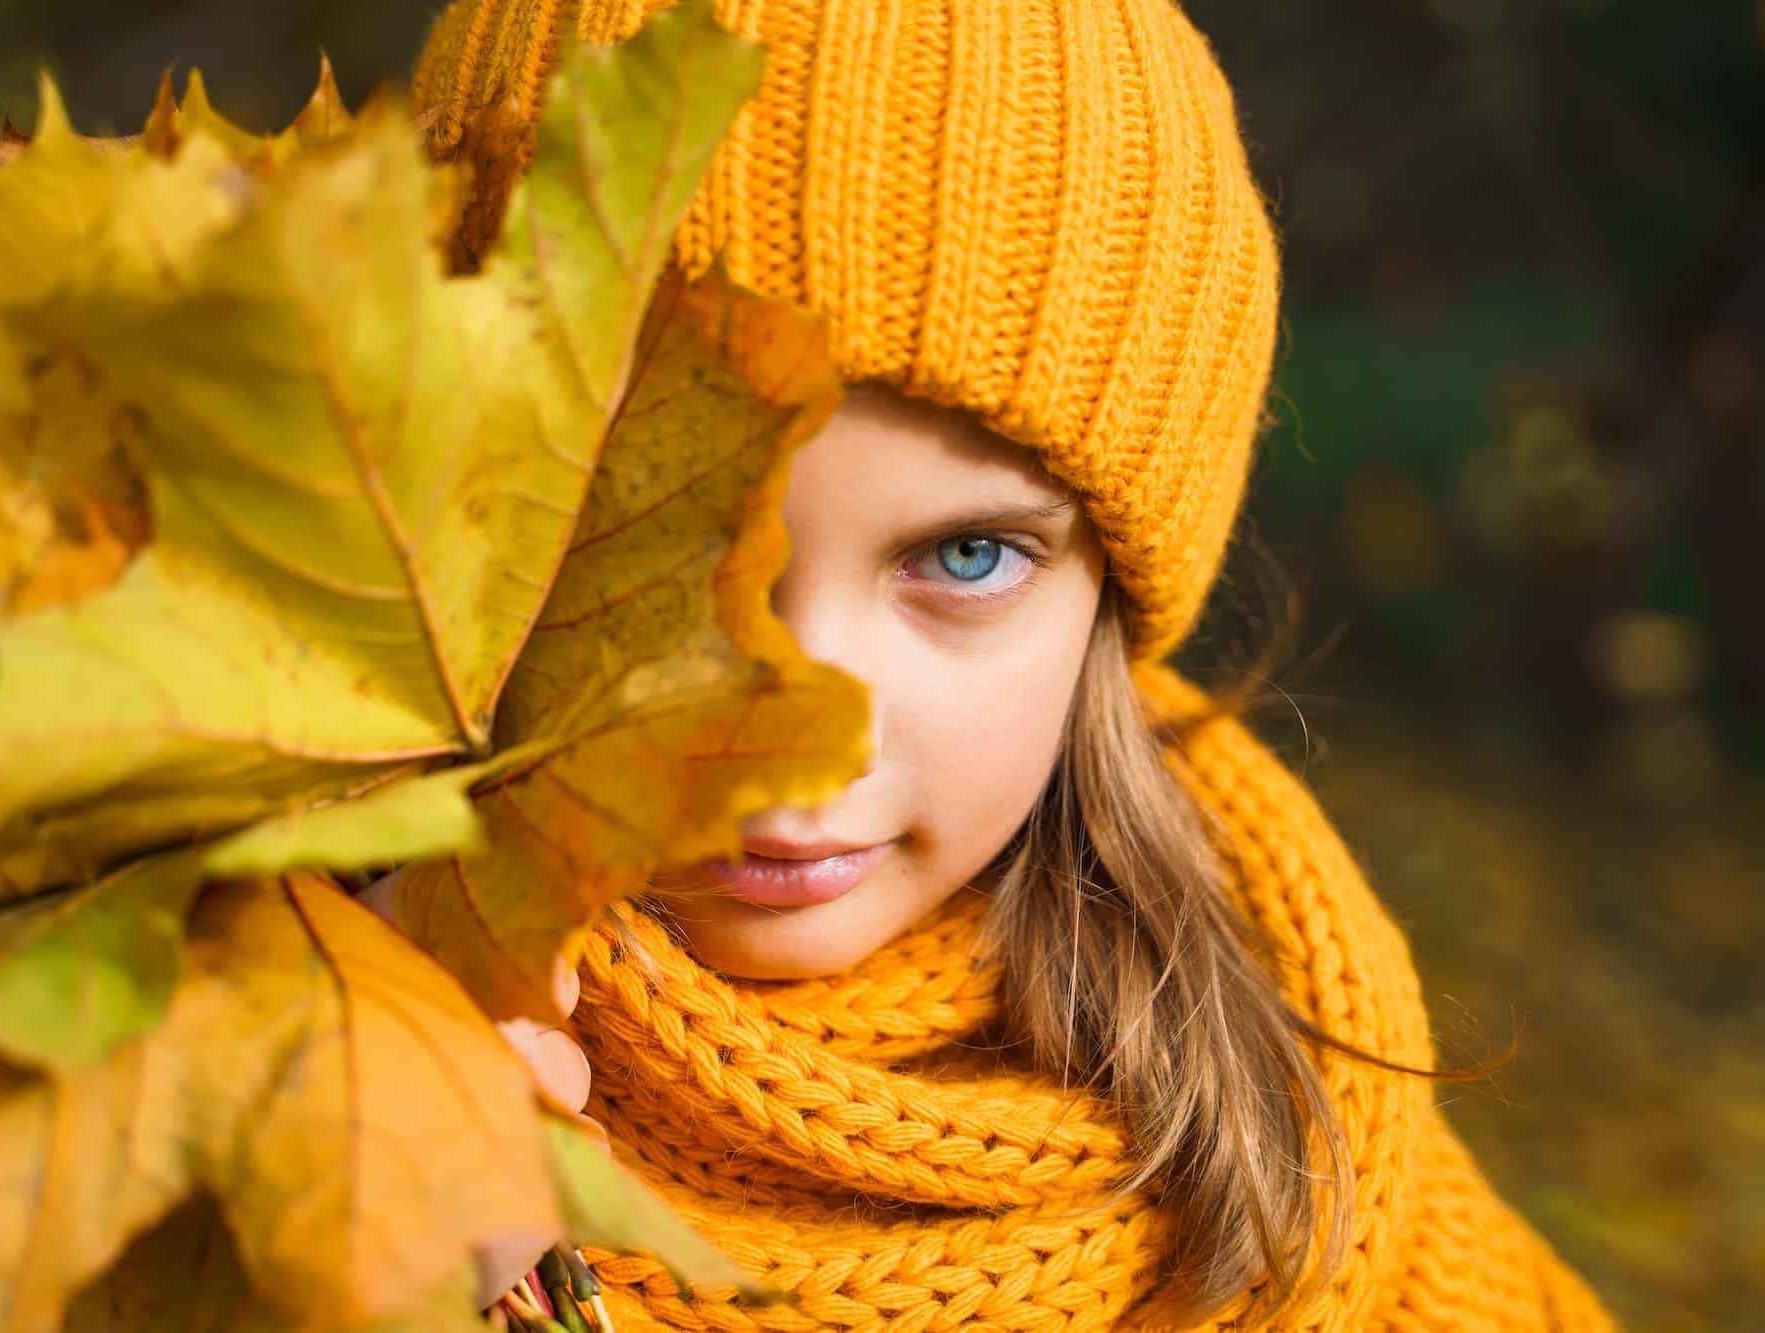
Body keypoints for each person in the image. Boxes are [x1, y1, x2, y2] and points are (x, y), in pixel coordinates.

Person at [401, 0, 1618, 1327]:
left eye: (968, 556)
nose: (809, 731)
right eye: (647, 541)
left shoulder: (1294, 1094)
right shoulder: (245, 1011)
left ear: (1107, 593)